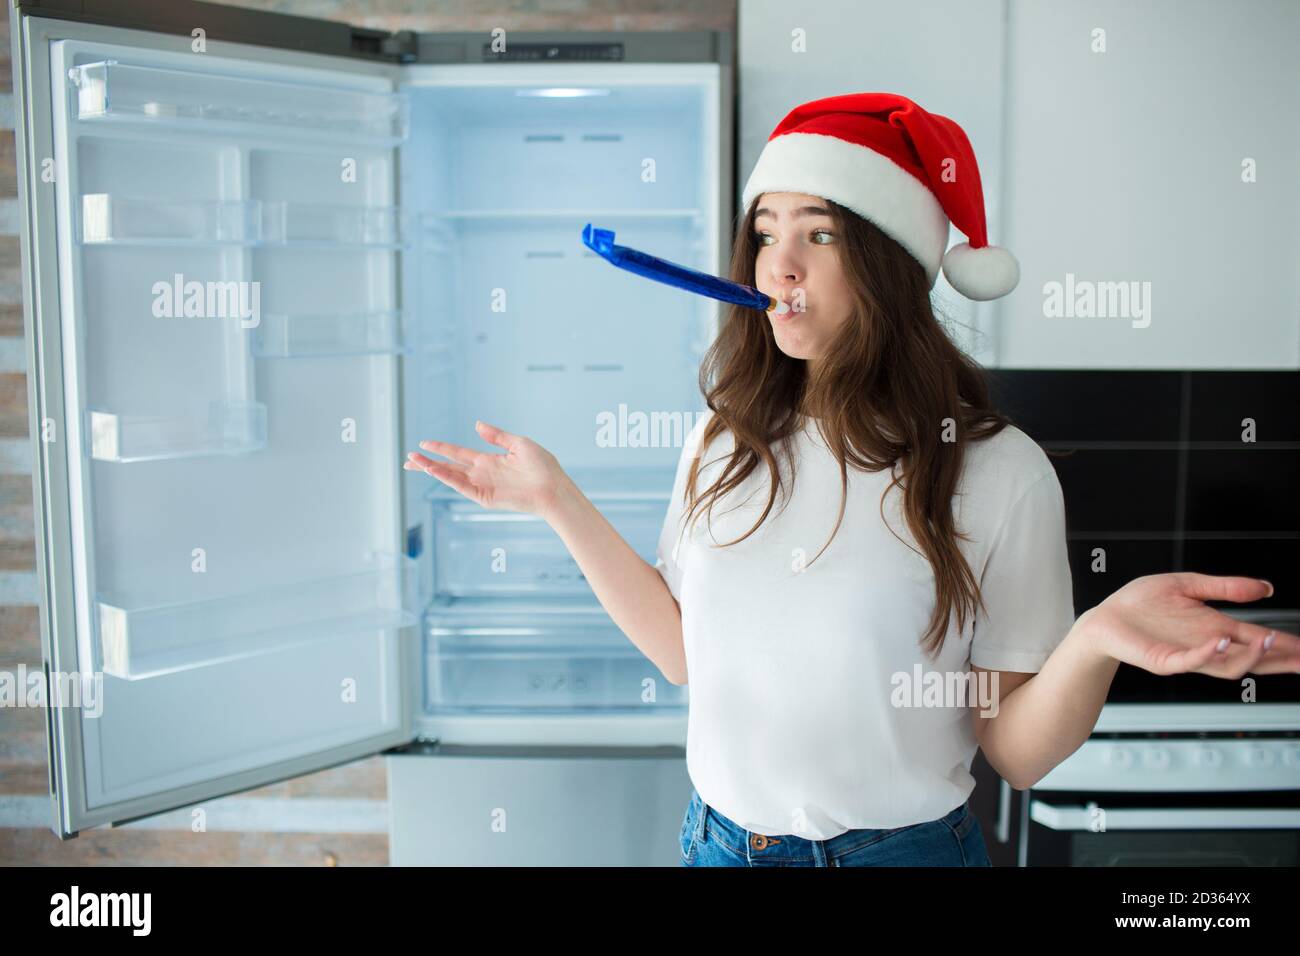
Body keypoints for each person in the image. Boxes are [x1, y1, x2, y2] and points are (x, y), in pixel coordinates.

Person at [403, 92, 1298, 867]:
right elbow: (685, 653)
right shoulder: (722, 440)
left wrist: (1095, 640)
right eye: (765, 233)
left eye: (819, 233)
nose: (779, 265)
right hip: (719, 846)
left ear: (887, 264)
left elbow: (1018, 753)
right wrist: (558, 501)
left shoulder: (997, 471)